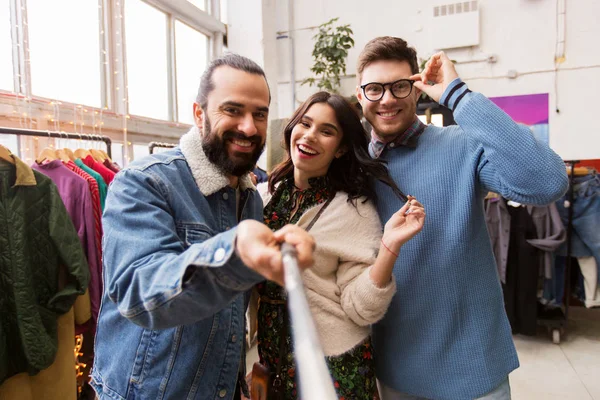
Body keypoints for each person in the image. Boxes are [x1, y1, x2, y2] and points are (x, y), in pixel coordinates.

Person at [90, 54, 316, 400]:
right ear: (199, 114)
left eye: (260, 113)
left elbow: (227, 317)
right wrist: (236, 253)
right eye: (232, 110)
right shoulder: (143, 182)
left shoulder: (249, 198)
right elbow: (138, 291)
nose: (249, 127)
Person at [355, 36, 568, 400]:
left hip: (475, 373)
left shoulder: (461, 144)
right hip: (394, 373)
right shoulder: (356, 170)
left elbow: (548, 182)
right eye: (374, 89)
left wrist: (457, 95)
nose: (387, 99)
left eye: (399, 86)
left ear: (417, 88)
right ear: (360, 96)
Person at [253, 91, 426, 399]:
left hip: (333, 363)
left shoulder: (352, 210)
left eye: (327, 131)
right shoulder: (266, 197)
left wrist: (389, 246)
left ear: (342, 148)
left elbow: (361, 309)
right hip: (274, 359)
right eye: (305, 124)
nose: (309, 136)